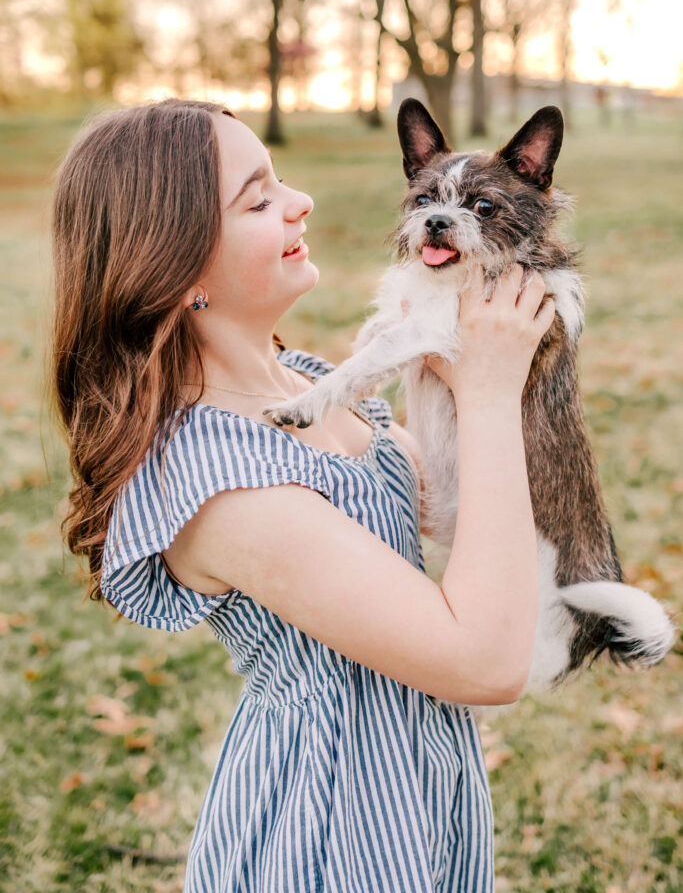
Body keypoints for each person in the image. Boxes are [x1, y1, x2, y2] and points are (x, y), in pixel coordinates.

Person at [51, 98, 555, 893]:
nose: (301, 202)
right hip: (328, 826)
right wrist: (487, 393)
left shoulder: (311, 385)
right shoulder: (224, 479)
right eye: (258, 198)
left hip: (421, 782)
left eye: (281, 181)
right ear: (172, 266)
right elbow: (486, 662)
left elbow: (462, 518)